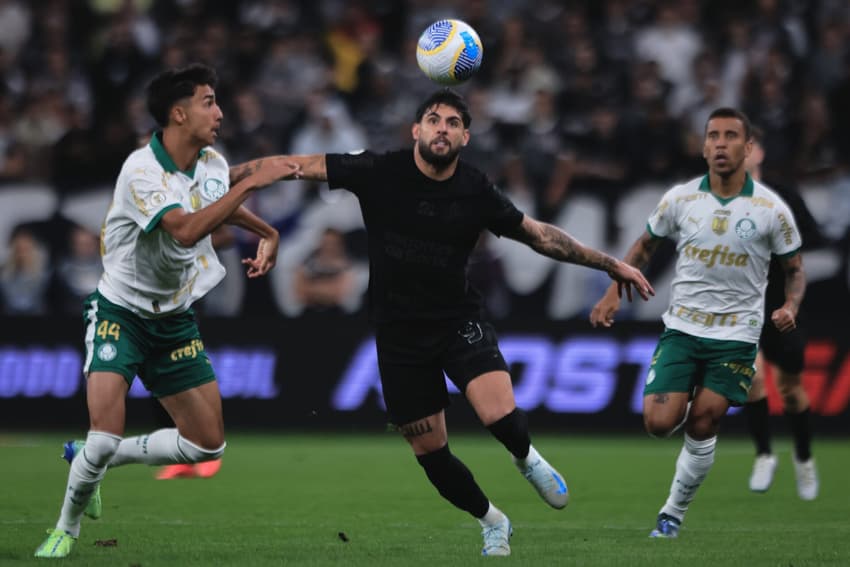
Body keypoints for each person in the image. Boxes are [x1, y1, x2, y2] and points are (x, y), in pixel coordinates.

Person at [278, 88, 654, 556]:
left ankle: (526, 457)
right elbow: (297, 165)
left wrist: (608, 264)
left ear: (466, 137)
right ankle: (492, 520)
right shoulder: (379, 171)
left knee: (500, 417)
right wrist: (227, 181)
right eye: (433, 119)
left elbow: (540, 236)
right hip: (398, 338)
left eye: (453, 123)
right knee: (431, 455)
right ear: (416, 130)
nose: (442, 128)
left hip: (457, 320)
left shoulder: (475, 189)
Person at [34, 63, 298, 558]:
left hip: (174, 318)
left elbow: (216, 199)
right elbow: (185, 228)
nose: (219, 112)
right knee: (103, 433)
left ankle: (95, 461)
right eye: (208, 102)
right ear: (178, 114)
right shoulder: (141, 170)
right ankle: (65, 529)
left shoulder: (211, 162)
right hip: (122, 311)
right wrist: (255, 181)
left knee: (206, 446)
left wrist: (267, 231)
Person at [590, 108, 806, 538]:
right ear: (704, 146)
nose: (721, 143)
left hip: (737, 335)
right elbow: (645, 245)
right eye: (713, 136)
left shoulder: (770, 210)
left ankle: (671, 514)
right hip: (683, 331)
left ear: (747, 148)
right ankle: (691, 394)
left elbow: (795, 270)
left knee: (704, 419)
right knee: (657, 424)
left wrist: (790, 306)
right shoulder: (681, 199)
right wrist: (613, 291)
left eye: (731, 136)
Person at [743, 127, 820, 500]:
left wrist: (791, 301)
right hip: (740, 307)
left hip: (781, 303)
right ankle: (764, 455)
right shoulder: (716, 201)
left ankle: (803, 459)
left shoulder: (783, 198)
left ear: (759, 152)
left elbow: (808, 246)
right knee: (751, 377)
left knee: (790, 390)